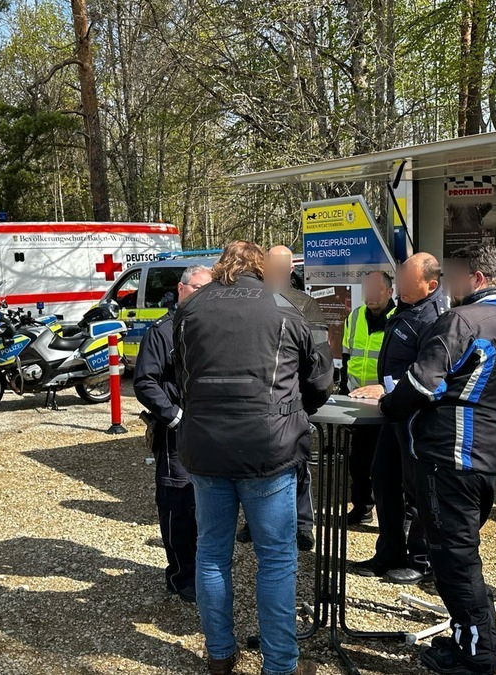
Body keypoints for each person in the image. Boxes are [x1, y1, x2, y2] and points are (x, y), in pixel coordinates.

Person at [174, 241, 333, 675]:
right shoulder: (282, 306)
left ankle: (220, 655)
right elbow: (320, 378)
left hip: (206, 447)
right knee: (277, 558)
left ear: (222, 266)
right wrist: (298, 409)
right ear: (260, 267)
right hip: (269, 447)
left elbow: (180, 376)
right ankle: (280, 664)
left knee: (211, 554)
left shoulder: (190, 310)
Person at [380, 244, 496, 675]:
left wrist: (389, 406)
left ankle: (477, 655)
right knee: (460, 556)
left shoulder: (461, 320)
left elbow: (423, 384)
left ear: (477, 279)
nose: (449, 286)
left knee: (453, 560)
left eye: (455, 278)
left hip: (449, 456)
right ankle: (479, 641)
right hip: (485, 455)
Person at [350, 254, 446, 585]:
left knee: (417, 489)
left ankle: (421, 559)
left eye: (409, 280)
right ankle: (388, 553)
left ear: (431, 285)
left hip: (417, 416)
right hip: (393, 413)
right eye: (401, 277)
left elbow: (431, 371)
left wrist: (387, 386)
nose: (402, 285)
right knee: (383, 477)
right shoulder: (404, 310)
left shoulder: (434, 319)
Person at [236, 245, 323, 551]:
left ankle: (302, 525)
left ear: (289, 271)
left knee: (298, 465)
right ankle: (253, 522)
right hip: (257, 404)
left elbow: (318, 364)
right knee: (253, 468)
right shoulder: (248, 304)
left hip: (294, 400)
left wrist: (306, 403)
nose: (272, 274)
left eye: (278, 269)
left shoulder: (306, 305)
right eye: (268, 268)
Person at [134, 264, 212, 604]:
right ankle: (182, 576)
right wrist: (174, 416)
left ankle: (207, 572)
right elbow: (145, 381)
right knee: (178, 504)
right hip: (177, 431)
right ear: (182, 290)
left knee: (209, 504)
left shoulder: (215, 326)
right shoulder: (162, 332)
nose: (205, 297)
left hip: (213, 431)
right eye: (199, 289)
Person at [339, 270, 396, 525]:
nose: (371, 296)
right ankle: (362, 507)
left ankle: (395, 517)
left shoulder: (400, 319)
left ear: (389, 292)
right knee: (359, 461)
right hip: (357, 401)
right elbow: (347, 356)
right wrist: (344, 390)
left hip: (388, 402)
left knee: (388, 465)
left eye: (377, 290)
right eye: (368, 290)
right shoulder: (354, 317)